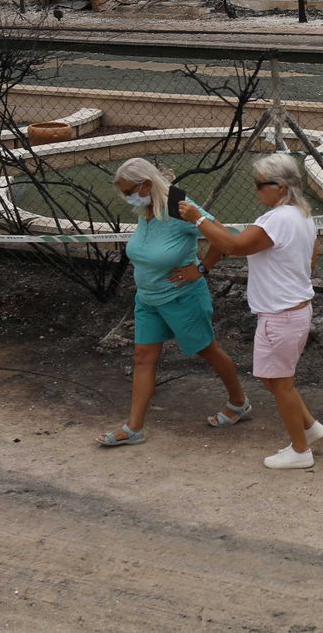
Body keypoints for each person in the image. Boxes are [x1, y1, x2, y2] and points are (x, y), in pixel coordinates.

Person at [180, 152, 323, 470]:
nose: (255, 190)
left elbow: (232, 247)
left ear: (281, 186)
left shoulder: (276, 220)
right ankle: (309, 427)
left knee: (280, 382)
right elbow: (310, 258)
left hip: (281, 313)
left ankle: (300, 451)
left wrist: (199, 220)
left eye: (260, 185)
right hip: (292, 309)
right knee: (270, 377)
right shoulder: (301, 215)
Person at [98, 157, 250, 447]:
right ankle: (134, 428)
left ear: (146, 184)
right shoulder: (144, 206)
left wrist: (202, 268)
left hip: (182, 296)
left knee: (208, 350)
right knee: (143, 357)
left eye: (129, 190)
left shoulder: (179, 205)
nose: (126, 196)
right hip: (148, 298)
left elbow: (223, 237)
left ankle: (239, 402)